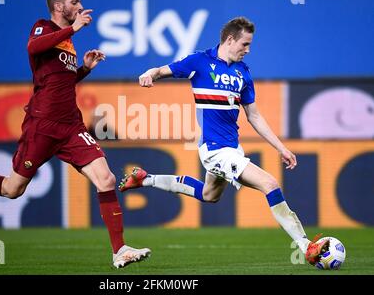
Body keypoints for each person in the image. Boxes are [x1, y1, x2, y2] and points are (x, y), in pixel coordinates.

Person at [0, 0, 150, 269]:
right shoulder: (43, 28)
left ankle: (119, 251)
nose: (80, 7)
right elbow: (33, 47)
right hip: (42, 125)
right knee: (11, 189)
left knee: (105, 179)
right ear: (59, 6)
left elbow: (58, 82)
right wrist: (74, 29)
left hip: (70, 126)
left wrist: (83, 69)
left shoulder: (67, 44)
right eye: (74, 2)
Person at [119, 17, 328, 266]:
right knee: (270, 184)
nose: (248, 50)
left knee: (209, 195)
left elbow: (254, 115)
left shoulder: (243, 72)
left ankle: (146, 178)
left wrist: (281, 147)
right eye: (245, 44)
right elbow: (162, 70)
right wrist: (149, 74)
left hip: (232, 149)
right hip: (214, 150)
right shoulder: (199, 61)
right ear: (230, 40)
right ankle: (306, 246)